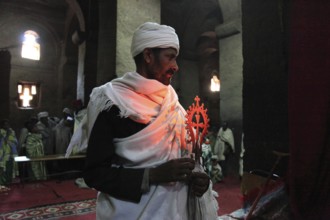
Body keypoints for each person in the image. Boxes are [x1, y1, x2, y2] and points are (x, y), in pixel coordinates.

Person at [66, 22, 218, 219]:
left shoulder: (173, 105)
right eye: (170, 57)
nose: (176, 66)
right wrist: (153, 175)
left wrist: (198, 179)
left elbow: (187, 159)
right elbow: (95, 173)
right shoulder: (112, 102)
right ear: (148, 56)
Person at [0, 119, 19, 186]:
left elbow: (15, 141)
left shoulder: (12, 132)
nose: (7, 126)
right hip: (3, 154)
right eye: (5, 124)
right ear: (2, 125)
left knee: (10, 168)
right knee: (3, 168)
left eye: (8, 124)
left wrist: (11, 141)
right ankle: (2, 183)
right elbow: (3, 142)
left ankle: (9, 182)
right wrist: (7, 135)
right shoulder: (1, 132)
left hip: (11, 153)